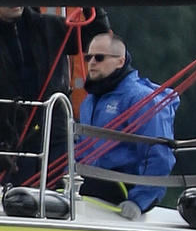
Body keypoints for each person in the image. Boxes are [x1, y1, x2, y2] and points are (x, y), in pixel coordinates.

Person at [73, 24, 179, 205]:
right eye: (88, 57)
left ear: (120, 61)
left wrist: (140, 202)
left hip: (123, 189)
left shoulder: (141, 99)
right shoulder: (90, 101)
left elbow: (159, 154)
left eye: (99, 58)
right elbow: (82, 150)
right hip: (90, 186)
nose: (91, 63)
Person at [0, 4, 66, 171]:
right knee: (17, 195)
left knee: (61, 189)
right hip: (14, 141)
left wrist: (89, 2)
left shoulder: (50, 26)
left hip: (57, 132)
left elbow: (92, 35)